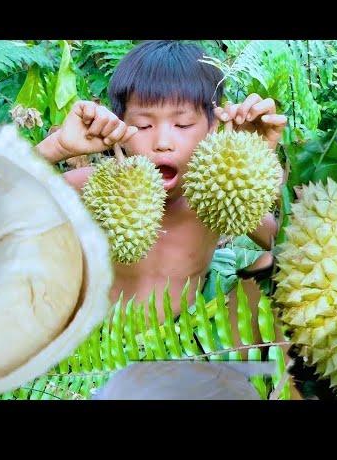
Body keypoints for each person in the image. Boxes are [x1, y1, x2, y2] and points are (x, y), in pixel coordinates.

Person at [36, 40, 302, 398]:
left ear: (213, 126)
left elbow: (293, 250)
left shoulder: (215, 195)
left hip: (195, 342)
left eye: (183, 124)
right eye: (143, 127)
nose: (163, 142)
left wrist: (256, 161)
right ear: (117, 127)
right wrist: (55, 149)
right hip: (100, 354)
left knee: (277, 270)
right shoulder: (92, 189)